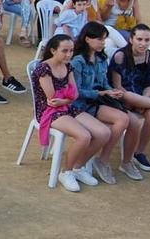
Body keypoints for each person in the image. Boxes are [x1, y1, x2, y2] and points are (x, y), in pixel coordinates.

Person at [32, 34, 109, 192]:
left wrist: (66, 100)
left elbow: (73, 94)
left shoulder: (68, 66)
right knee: (84, 136)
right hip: (49, 112)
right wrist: (67, 98)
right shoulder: (43, 69)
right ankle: (65, 172)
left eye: (71, 51)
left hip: (67, 107)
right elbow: (53, 99)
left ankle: (78, 168)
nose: (69, 54)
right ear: (53, 51)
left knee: (104, 133)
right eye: (64, 51)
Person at [71, 22, 134, 185]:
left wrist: (111, 90)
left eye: (104, 39)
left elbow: (103, 82)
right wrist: (102, 93)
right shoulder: (77, 61)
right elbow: (77, 92)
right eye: (99, 39)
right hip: (81, 105)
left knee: (125, 119)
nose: (103, 43)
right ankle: (101, 161)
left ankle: (103, 160)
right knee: (122, 119)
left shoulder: (100, 58)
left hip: (97, 100)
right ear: (87, 39)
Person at [109, 24, 150, 178]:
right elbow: (118, 87)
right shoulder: (120, 56)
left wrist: (144, 100)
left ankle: (139, 152)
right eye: (139, 39)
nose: (143, 43)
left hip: (143, 98)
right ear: (131, 39)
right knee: (128, 95)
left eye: (147, 40)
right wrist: (139, 102)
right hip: (121, 98)